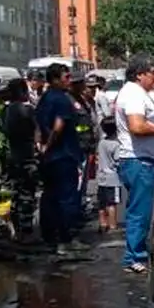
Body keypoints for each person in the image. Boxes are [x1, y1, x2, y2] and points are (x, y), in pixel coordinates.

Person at [115, 53, 154, 274]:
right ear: (140, 74)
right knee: (140, 213)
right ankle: (134, 257)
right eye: (152, 73)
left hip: (140, 160)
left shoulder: (136, 93)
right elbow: (138, 127)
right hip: (138, 160)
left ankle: (136, 253)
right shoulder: (134, 95)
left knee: (138, 211)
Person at [35, 63, 88, 255]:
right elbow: (58, 127)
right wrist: (48, 146)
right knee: (67, 198)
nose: (68, 80)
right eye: (66, 77)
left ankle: (50, 236)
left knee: (50, 196)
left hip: (49, 158)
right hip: (63, 155)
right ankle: (66, 239)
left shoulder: (44, 99)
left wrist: (41, 148)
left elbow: (38, 127)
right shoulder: (62, 100)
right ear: (55, 79)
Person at [4, 78, 40, 243]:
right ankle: (25, 231)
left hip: (13, 156)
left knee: (16, 193)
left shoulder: (6, 110)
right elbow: (36, 132)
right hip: (26, 156)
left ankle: (16, 229)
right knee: (27, 194)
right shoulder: (27, 111)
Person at [70, 75, 98, 226]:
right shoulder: (70, 101)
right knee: (77, 183)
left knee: (84, 183)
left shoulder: (85, 102)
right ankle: (73, 214)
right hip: (77, 147)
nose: (89, 89)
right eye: (85, 85)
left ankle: (79, 209)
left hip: (86, 146)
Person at [96, 118, 121, 234]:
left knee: (102, 203)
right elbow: (117, 160)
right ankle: (112, 225)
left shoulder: (101, 143)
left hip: (101, 177)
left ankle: (102, 223)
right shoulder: (116, 145)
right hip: (113, 178)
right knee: (112, 203)